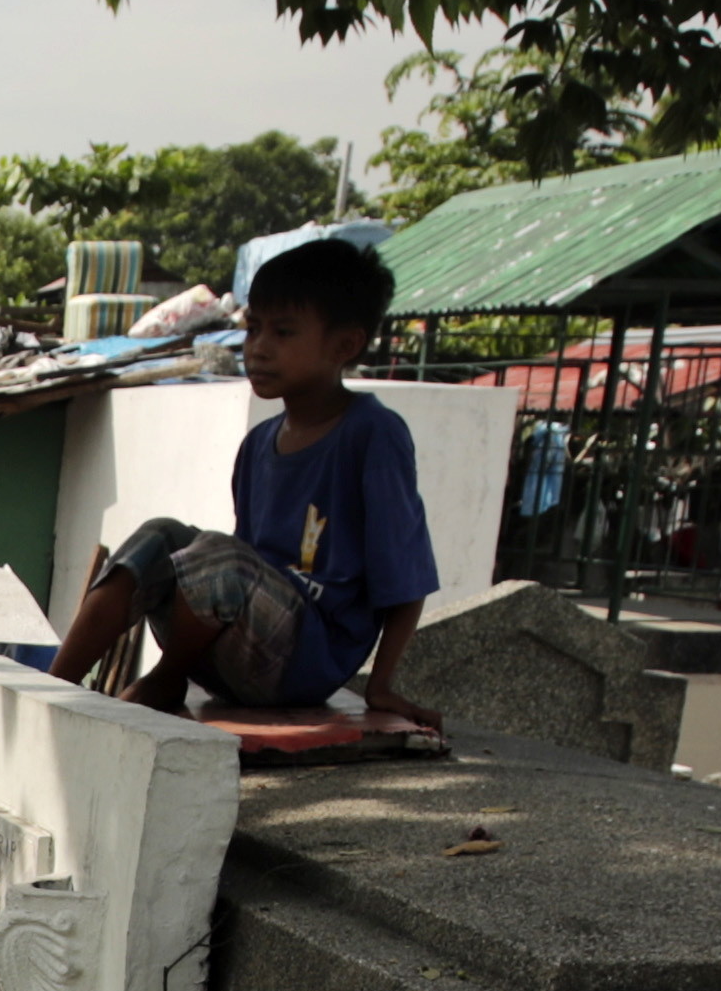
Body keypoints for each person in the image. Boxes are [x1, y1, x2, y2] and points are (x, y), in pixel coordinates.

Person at [48, 237, 444, 735]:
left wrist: (381, 684)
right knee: (160, 534)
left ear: (343, 346)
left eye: (282, 332)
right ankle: (52, 687)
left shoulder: (373, 434)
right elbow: (239, 569)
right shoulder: (258, 445)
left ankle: (165, 678)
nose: (258, 348)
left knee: (219, 555)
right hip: (237, 651)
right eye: (253, 328)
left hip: (305, 662)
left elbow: (405, 573)